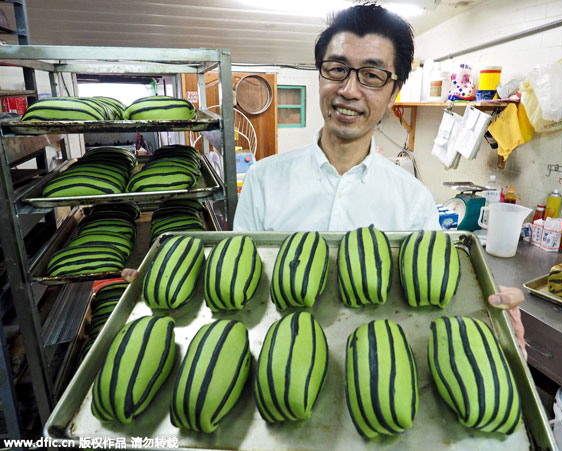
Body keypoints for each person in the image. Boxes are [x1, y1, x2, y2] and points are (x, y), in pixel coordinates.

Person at [123, 2, 525, 356]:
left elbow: (435, 295)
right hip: (275, 366)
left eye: (371, 76)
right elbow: (236, 279)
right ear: (320, 76)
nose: (349, 90)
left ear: (394, 91)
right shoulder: (264, 180)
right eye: (337, 70)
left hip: (379, 375)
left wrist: (488, 309)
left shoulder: (413, 200)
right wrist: (176, 282)